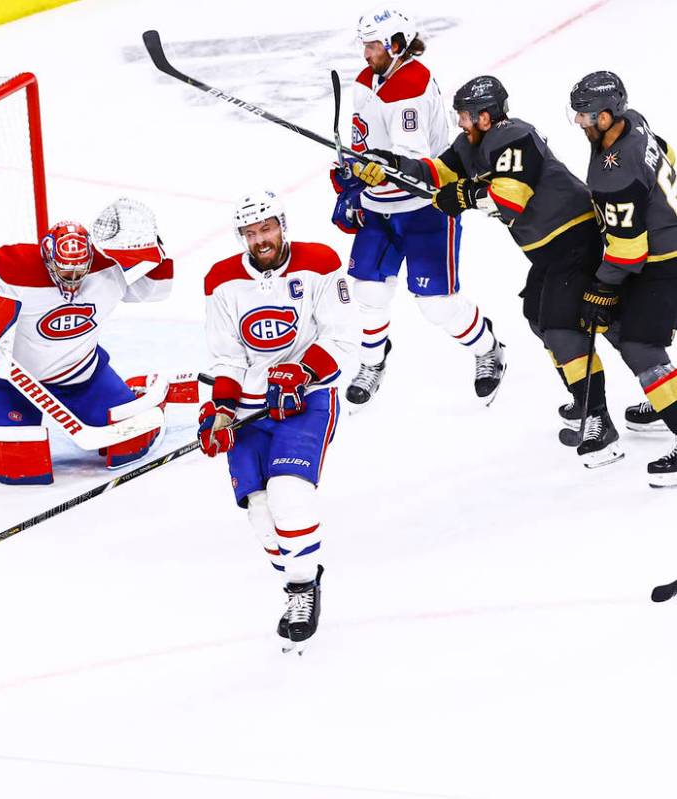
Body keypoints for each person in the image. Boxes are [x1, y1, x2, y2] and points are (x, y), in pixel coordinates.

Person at [367, 76, 624, 466]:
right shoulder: (471, 143)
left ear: (485, 117)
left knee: (562, 326)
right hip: (549, 249)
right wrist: (391, 166)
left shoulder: (514, 135)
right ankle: (590, 395)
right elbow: (439, 173)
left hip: (575, 237)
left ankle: (600, 421)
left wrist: (465, 196)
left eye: (465, 116)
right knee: (538, 316)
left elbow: (509, 198)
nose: (460, 123)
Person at [199, 191, 358, 650]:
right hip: (251, 407)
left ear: (281, 226)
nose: (260, 239)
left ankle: (302, 589)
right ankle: (295, 578)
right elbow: (226, 356)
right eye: (251, 233)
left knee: (289, 495)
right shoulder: (222, 280)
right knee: (261, 514)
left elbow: (344, 337)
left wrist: (302, 370)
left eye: (266, 229)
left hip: (307, 401)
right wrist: (222, 410)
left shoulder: (320, 263)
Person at [331, 7, 505, 408]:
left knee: (436, 305)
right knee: (369, 291)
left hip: (425, 209)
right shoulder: (366, 81)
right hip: (379, 209)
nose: (366, 53)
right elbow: (364, 146)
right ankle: (373, 362)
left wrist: (378, 170)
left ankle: (489, 348)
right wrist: (351, 180)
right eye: (365, 44)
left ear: (396, 44)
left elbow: (407, 164)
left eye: (373, 45)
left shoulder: (410, 84)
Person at [0, 199, 174, 470]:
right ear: (48, 259)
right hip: (15, 381)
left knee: (132, 445)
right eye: (66, 269)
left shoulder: (106, 270)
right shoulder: (14, 265)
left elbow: (156, 290)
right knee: (12, 467)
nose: (73, 277)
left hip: (84, 376)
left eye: (79, 269)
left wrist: (152, 247)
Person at [569, 71, 677, 487]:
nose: (580, 122)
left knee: (638, 343)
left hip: (663, 260)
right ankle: (665, 396)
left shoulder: (615, 171)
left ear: (609, 113)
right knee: (631, 328)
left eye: (587, 115)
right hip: (665, 246)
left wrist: (602, 287)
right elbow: (667, 153)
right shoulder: (635, 120)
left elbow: (629, 250)